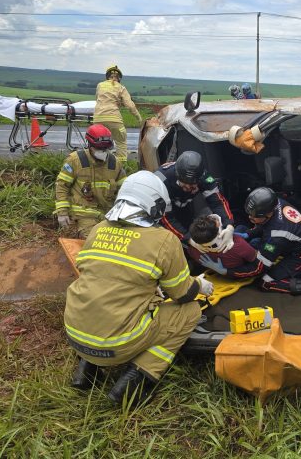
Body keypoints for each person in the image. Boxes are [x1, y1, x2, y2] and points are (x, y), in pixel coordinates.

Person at [64, 170, 214, 408]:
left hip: (75, 334)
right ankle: (134, 383)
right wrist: (201, 285)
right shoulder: (164, 240)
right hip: (117, 344)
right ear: (154, 206)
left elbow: (104, 277)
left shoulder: (97, 229)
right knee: (190, 312)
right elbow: (181, 293)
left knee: (103, 298)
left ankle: (86, 371)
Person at [198, 187, 301, 300]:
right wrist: (247, 234)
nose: (250, 218)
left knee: (266, 282)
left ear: (267, 214)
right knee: (254, 239)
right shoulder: (274, 201)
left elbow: (258, 268)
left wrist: (227, 272)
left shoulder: (275, 236)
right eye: (249, 214)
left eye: (254, 217)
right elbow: (264, 225)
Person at [55, 124, 127, 238]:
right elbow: (62, 186)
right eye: (99, 149)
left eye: (105, 149)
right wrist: (62, 212)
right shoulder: (75, 160)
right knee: (93, 240)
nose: (102, 152)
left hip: (108, 214)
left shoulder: (115, 164)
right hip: (84, 213)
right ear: (89, 145)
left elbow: (125, 190)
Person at [155, 151, 235, 251]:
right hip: (161, 211)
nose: (188, 187)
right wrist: (188, 239)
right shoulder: (161, 180)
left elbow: (217, 202)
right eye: (184, 184)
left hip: (186, 206)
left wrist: (229, 225)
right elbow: (166, 218)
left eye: (192, 185)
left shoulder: (205, 177)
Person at [93, 65, 142, 164]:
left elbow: (97, 99)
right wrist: (138, 117)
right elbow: (130, 105)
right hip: (114, 119)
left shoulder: (100, 85)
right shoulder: (121, 87)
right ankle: (121, 167)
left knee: (98, 144)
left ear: (107, 76)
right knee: (121, 143)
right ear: (119, 78)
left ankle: (98, 164)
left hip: (98, 119)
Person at [187, 214, 258, 275]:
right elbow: (258, 266)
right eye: (216, 222)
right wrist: (227, 272)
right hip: (237, 272)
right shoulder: (239, 244)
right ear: (218, 232)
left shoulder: (193, 250)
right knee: (245, 231)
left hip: (222, 272)